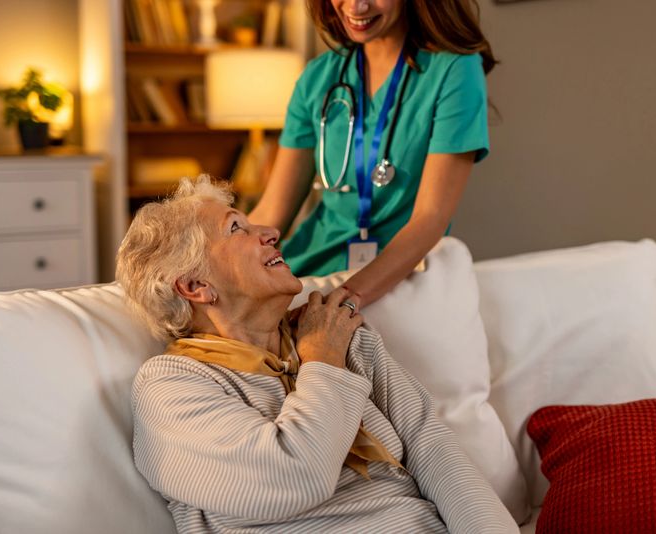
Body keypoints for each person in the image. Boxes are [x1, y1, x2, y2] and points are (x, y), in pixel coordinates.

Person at [115, 176, 517, 533]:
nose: (271, 231)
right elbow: (293, 478)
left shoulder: (336, 332)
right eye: (236, 228)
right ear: (195, 286)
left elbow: (433, 448)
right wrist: (322, 362)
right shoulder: (171, 386)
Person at [249, 0, 494, 311]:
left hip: (391, 284)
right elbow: (271, 211)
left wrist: (346, 300)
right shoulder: (317, 77)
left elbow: (430, 218)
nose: (357, 6)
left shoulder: (455, 69)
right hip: (308, 277)